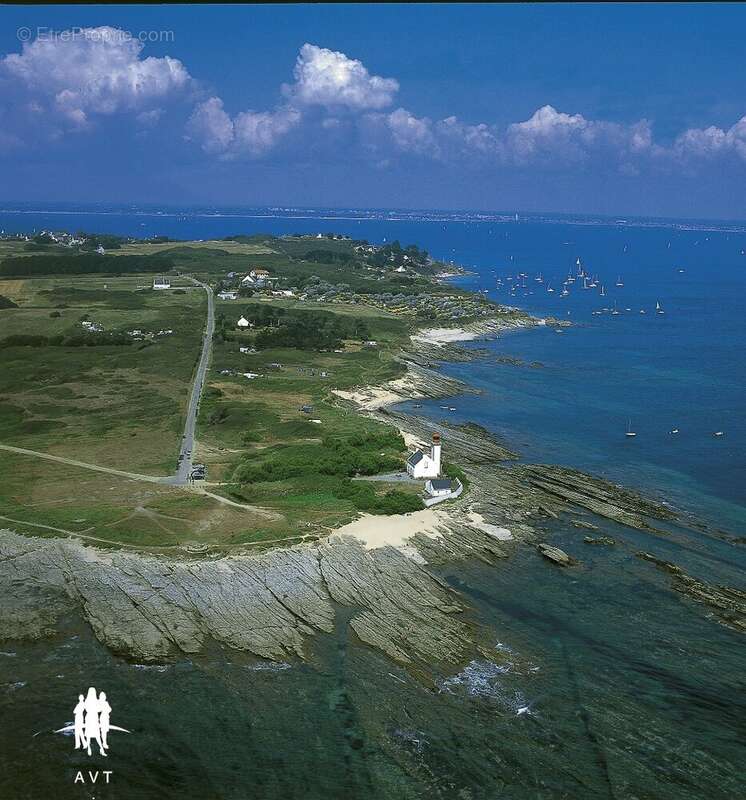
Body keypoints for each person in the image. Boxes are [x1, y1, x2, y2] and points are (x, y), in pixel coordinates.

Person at [83, 686, 106, 757]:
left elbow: (100, 709)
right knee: (90, 734)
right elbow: (87, 709)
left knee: (96, 734)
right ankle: (90, 748)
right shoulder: (87, 701)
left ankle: (101, 749)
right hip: (91, 718)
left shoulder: (96, 701)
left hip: (94, 718)